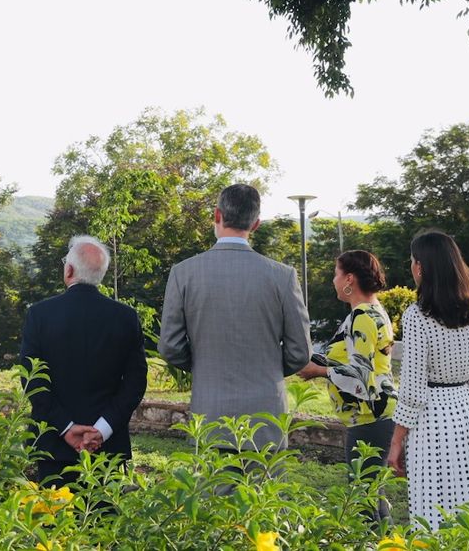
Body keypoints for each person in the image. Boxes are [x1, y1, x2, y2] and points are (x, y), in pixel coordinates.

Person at [158, 184, 312, 453]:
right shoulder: (282, 276)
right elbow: (300, 352)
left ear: (217, 215)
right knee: (262, 494)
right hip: (266, 417)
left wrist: (204, 367)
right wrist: (267, 369)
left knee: (211, 493)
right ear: (256, 224)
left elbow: (169, 346)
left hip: (209, 414)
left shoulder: (184, 273)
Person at [386, 230, 469, 531]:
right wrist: (467, 408)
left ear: (421, 268)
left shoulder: (416, 316)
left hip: (431, 421)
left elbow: (412, 391)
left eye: (413, 261)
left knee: (434, 506)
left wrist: (396, 442)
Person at [20, 235, 148, 487]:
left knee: (54, 520)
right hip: (107, 447)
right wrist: (102, 428)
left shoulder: (40, 315)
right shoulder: (126, 317)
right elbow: (135, 382)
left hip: (54, 444)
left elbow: (32, 380)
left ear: (68, 270)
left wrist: (66, 428)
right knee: (104, 520)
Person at [297, 250, 397, 520]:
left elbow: (359, 376)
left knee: (363, 500)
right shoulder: (374, 311)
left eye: (336, 273)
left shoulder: (362, 316)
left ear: (349, 278)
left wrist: (318, 370)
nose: (333, 280)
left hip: (369, 418)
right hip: (374, 417)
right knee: (371, 495)